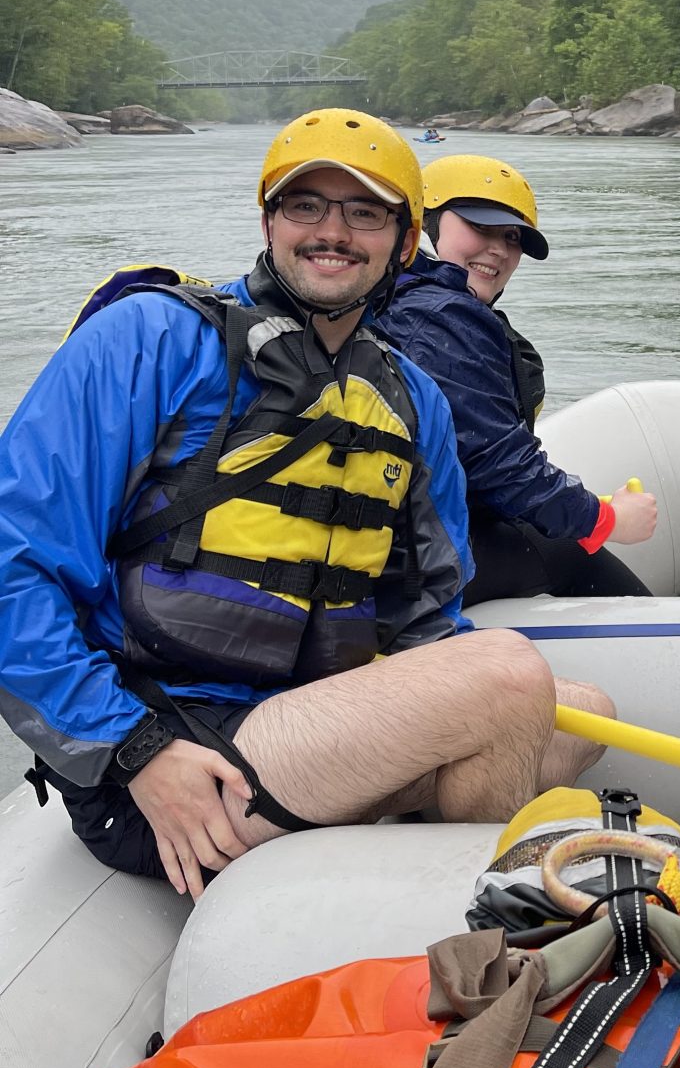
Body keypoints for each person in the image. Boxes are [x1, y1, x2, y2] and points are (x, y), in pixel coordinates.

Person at [0, 109, 612, 899]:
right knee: (506, 675)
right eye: (307, 206)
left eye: (364, 212)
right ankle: (485, 924)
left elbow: (429, 613)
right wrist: (136, 749)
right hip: (169, 752)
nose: (333, 232)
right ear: (269, 219)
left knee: (582, 711)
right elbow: (12, 565)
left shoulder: (409, 397)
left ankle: (422, 887)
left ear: (404, 238)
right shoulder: (148, 338)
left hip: (306, 724)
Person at [379, 153, 657, 602]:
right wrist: (605, 520)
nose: (500, 249)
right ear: (422, 223)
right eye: (480, 227)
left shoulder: (392, 294)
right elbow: (500, 465)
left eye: (512, 238)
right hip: (407, 558)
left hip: (390, 535)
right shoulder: (439, 317)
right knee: (570, 555)